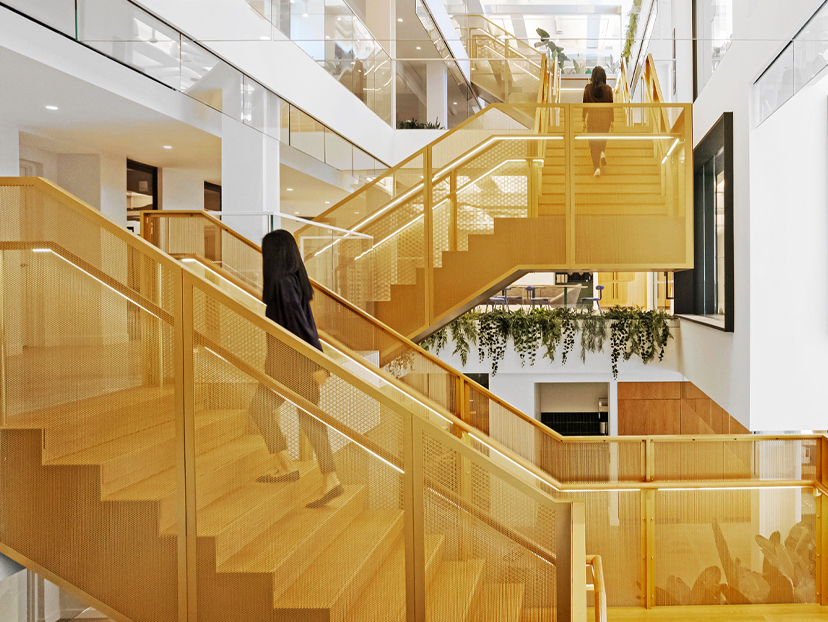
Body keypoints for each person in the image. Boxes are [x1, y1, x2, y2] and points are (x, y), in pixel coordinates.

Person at [249, 229, 343, 509]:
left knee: (267, 410)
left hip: (291, 367)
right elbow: (306, 325)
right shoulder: (292, 281)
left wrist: (316, 364)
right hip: (289, 366)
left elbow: (300, 327)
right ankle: (306, 471)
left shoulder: (282, 283)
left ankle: (319, 475)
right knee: (305, 419)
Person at [582, 65, 614, 176]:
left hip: (592, 118)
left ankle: (596, 168)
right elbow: (610, 106)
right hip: (605, 119)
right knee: (602, 138)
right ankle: (602, 152)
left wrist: (583, 120)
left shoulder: (587, 89)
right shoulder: (608, 89)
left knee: (593, 143)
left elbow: (585, 105)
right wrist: (612, 121)